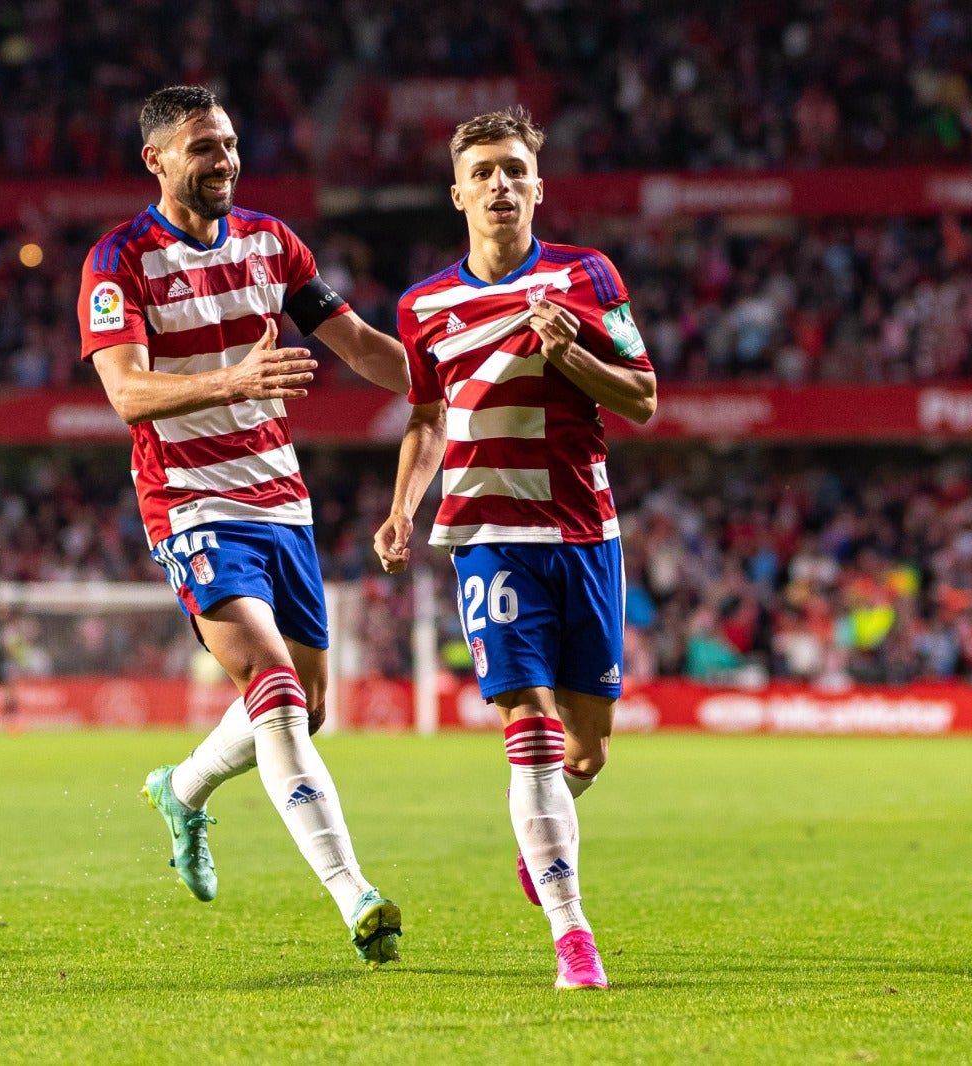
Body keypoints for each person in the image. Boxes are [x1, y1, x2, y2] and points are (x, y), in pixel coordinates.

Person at [78, 85, 409, 966]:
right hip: (190, 498)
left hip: (281, 499)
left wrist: (455, 382)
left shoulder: (273, 241)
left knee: (308, 706)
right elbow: (125, 393)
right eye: (202, 147)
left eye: (227, 143)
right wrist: (231, 381)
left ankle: (182, 789)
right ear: (155, 160)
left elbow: (359, 344)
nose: (223, 159)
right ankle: (356, 896)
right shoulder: (118, 260)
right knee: (273, 684)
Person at [373, 106, 657, 990]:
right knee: (528, 726)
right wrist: (402, 508)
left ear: (539, 187)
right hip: (488, 537)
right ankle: (574, 938)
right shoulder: (423, 306)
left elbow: (643, 398)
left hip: (583, 531)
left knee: (587, 749)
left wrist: (572, 357)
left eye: (514, 170)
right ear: (458, 193)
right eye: (483, 172)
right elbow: (427, 418)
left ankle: (543, 845)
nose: (500, 184)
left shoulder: (587, 274)